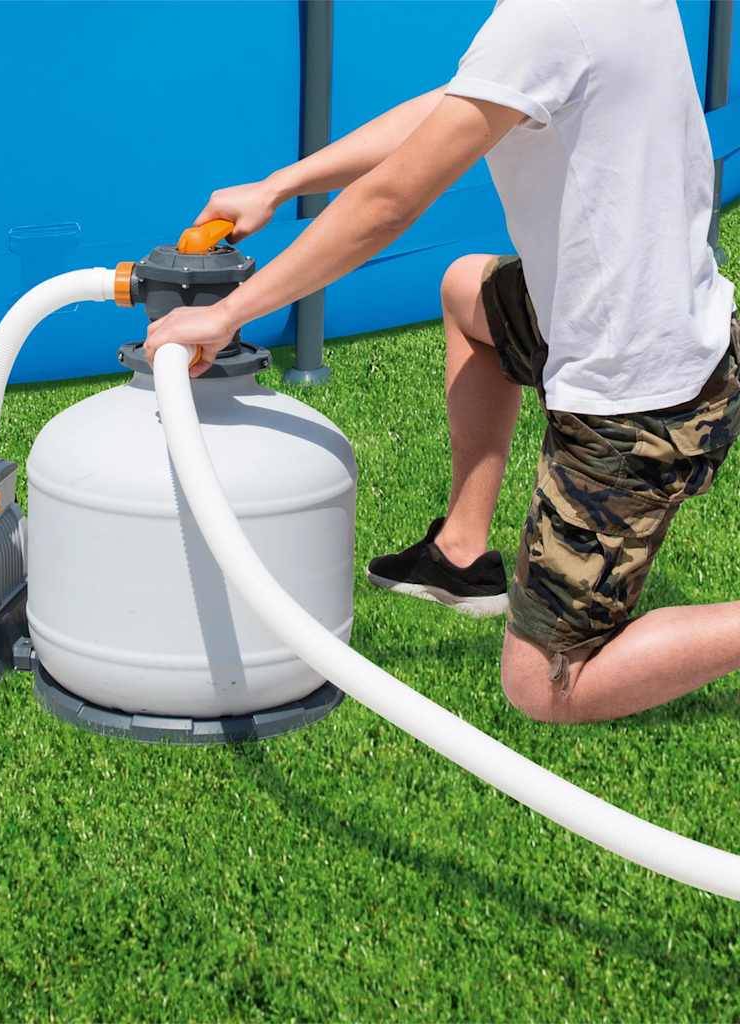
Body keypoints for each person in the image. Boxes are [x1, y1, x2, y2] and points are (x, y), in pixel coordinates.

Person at [144, 0, 740, 724]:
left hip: (636, 397)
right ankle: (459, 556)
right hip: (670, 321)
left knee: (548, 686)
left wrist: (230, 312)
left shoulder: (545, 18)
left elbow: (390, 201)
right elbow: (460, 104)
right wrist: (282, 183)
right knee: (467, 293)